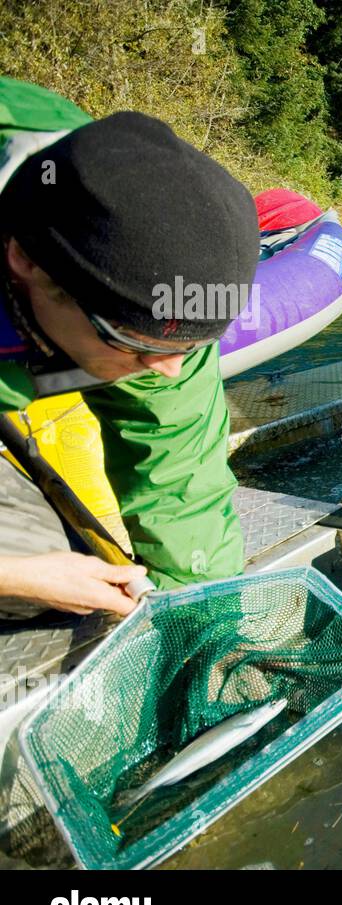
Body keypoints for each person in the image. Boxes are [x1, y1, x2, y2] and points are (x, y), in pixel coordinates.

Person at [0, 76, 253, 620]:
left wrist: (202, 624)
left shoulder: (157, 299)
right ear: (25, 261)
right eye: (132, 346)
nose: (165, 372)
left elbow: (179, 483)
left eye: (193, 346)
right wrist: (13, 578)